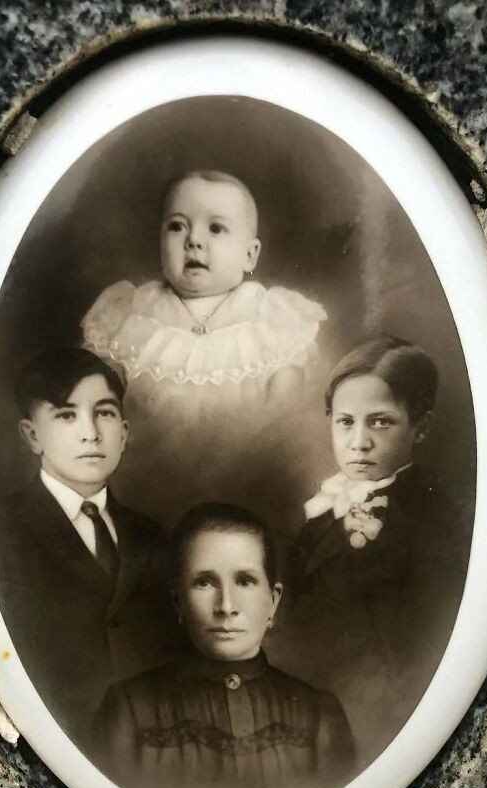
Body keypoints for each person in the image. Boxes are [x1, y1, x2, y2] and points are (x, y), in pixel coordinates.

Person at [80, 170, 328, 526]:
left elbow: (287, 417)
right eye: (177, 226)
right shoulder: (133, 313)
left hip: (249, 486)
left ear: (250, 255)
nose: (194, 241)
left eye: (216, 228)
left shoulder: (271, 319)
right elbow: (99, 399)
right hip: (144, 488)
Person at [91, 503, 355, 788]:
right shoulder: (130, 711)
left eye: (245, 581)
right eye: (204, 582)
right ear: (178, 602)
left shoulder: (319, 717)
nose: (226, 607)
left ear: (273, 601)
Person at [285, 336, 472, 766]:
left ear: (420, 427)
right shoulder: (323, 512)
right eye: (345, 422)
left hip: (386, 716)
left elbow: (425, 642)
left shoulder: (437, 522)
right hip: (315, 702)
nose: (359, 442)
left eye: (381, 422)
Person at [0, 349, 176, 742]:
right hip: (50, 736)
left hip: (152, 738)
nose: (91, 433)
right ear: (32, 435)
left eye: (104, 413)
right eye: (66, 415)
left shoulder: (149, 535)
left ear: (124, 432)